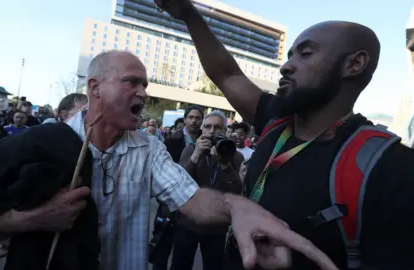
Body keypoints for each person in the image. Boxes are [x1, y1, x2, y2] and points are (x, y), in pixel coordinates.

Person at [0, 50, 337, 270]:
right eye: (131, 82)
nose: (143, 91)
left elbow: (192, 201)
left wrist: (235, 206)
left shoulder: (148, 147)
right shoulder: (35, 144)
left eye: (145, 85)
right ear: (94, 88)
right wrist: (33, 220)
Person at [157, 0, 414, 269]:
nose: (286, 66)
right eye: (290, 54)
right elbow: (227, 74)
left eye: (305, 54)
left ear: (355, 63)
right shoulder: (275, 122)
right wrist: (188, 14)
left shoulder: (391, 167)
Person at [172, 110, 243, 270]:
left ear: (225, 131)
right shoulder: (190, 150)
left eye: (217, 127)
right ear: (202, 129)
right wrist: (196, 155)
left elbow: (238, 191)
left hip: (217, 225)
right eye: (208, 127)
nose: (212, 131)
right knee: (180, 265)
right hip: (188, 222)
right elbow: (178, 184)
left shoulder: (235, 155)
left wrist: (225, 164)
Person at [151, 105, 203, 270]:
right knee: (162, 249)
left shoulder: (209, 142)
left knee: (183, 254)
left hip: (193, 205)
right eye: (191, 117)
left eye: (198, 118)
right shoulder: (171, 141)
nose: (194, 121)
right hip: (169, 205)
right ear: (185, 120)